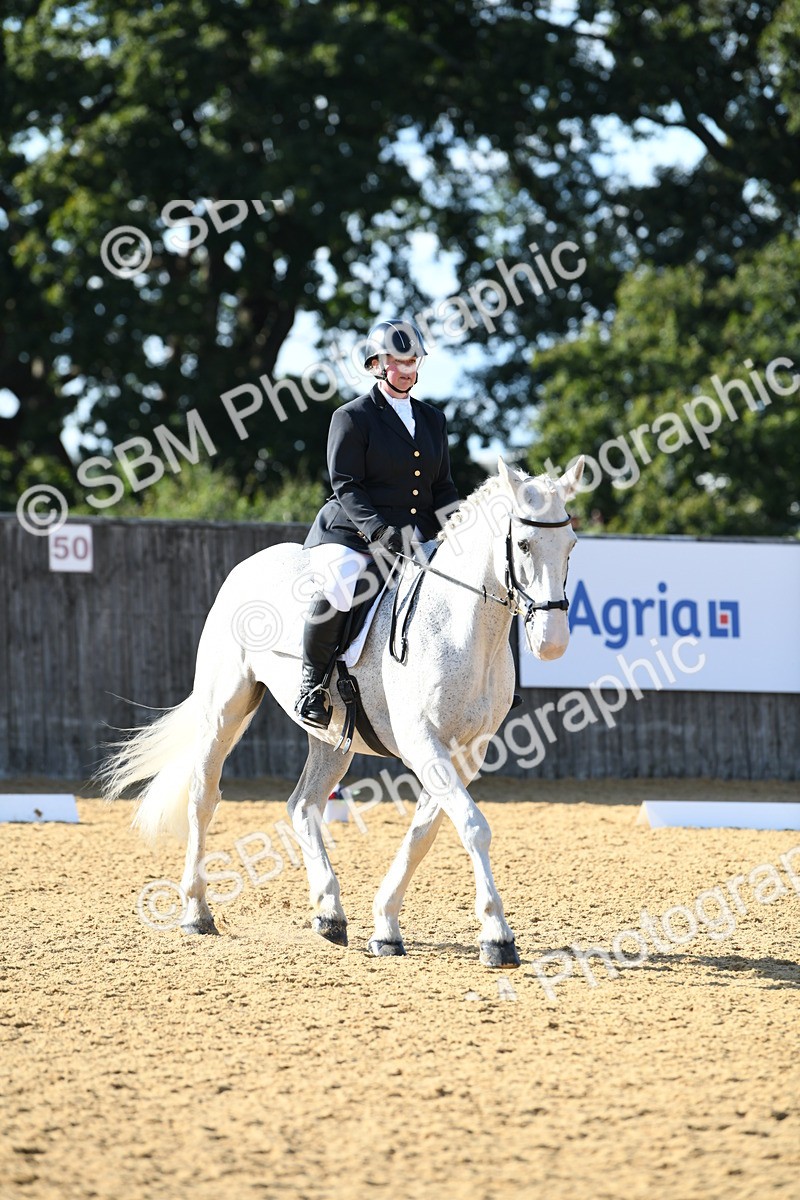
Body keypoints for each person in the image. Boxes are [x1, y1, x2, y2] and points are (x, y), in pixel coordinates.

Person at [295, 318, 460, 728]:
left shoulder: (433, 419)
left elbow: (443, 485)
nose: (407, 369)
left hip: (415, 533)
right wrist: (379, 531)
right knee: (342, 580)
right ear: (377, 363)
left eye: (413, 360)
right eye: (398, 361)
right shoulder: (352, 417)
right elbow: (346, 485)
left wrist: (458, 526)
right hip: (353, 532)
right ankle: (311, 683)